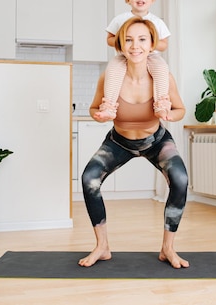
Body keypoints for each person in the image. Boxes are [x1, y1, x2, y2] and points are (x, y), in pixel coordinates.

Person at [78, 16, 189, 269]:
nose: (134, 46)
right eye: (128, 40)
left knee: (180, 180)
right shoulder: (110, 78)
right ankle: (102, 246)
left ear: (152, 45)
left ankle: (167, 248)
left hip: (156, 141)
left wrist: (171, 115)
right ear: (120, 44)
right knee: (89, 179)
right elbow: (95, 108)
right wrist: (99, 115)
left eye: (141, 40)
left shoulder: (163, 78)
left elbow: (181, 108)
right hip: (119, 142)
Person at [96, 0, 172, 122]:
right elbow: (109, 40)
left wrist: (147, 44)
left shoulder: (158, 22)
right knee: (112, 71)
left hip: (152, 57)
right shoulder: (120, 19)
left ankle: (162, 105)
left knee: (162, 70)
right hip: (125, 55)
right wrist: (126, 43)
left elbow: (164, 45)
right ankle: (109, 107)